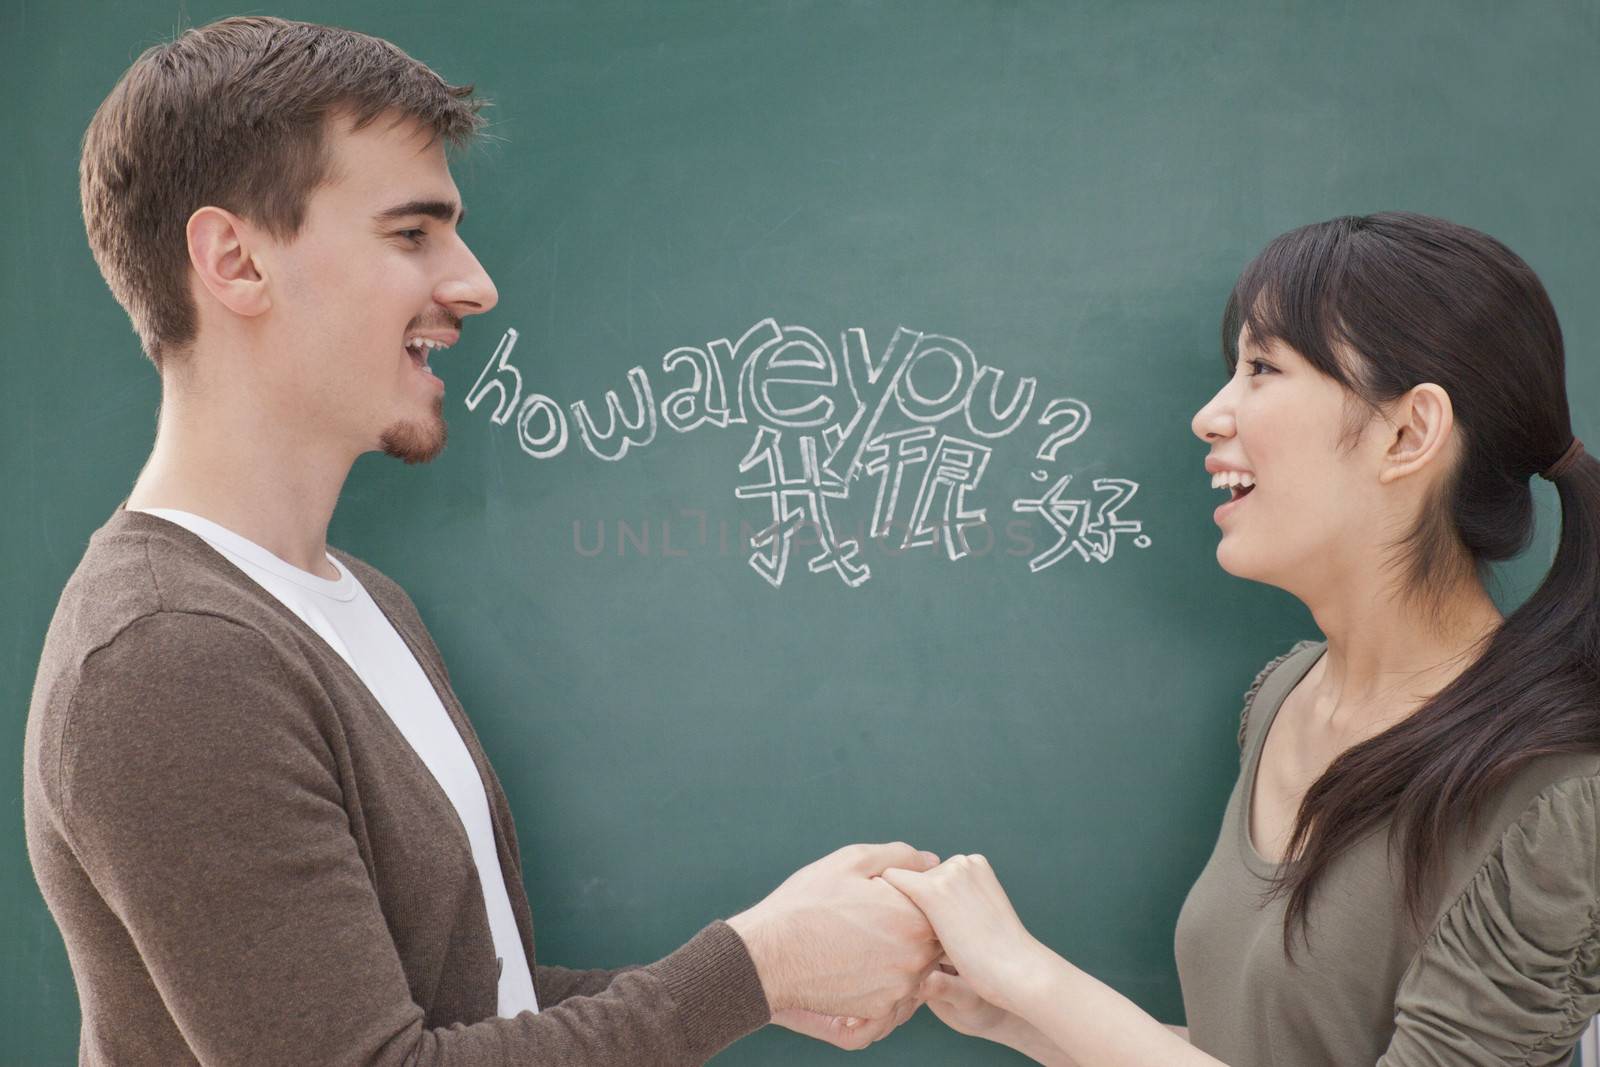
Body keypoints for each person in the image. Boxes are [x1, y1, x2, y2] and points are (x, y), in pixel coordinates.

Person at [21, 17, 940, 1066]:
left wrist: (782, 967)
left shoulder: (355, 599)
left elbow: (464, 998)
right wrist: (751, 967)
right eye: (411, 233)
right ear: (235, 259)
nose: (473, 284)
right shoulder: (170, 656)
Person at [880, 212, 1600, 1066]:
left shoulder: (1556, 798)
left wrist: (1035, 977)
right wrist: (1013, 1012)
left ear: (1410, 433)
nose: (1209, 416)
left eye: (1262, 368)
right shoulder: (1281, 699)